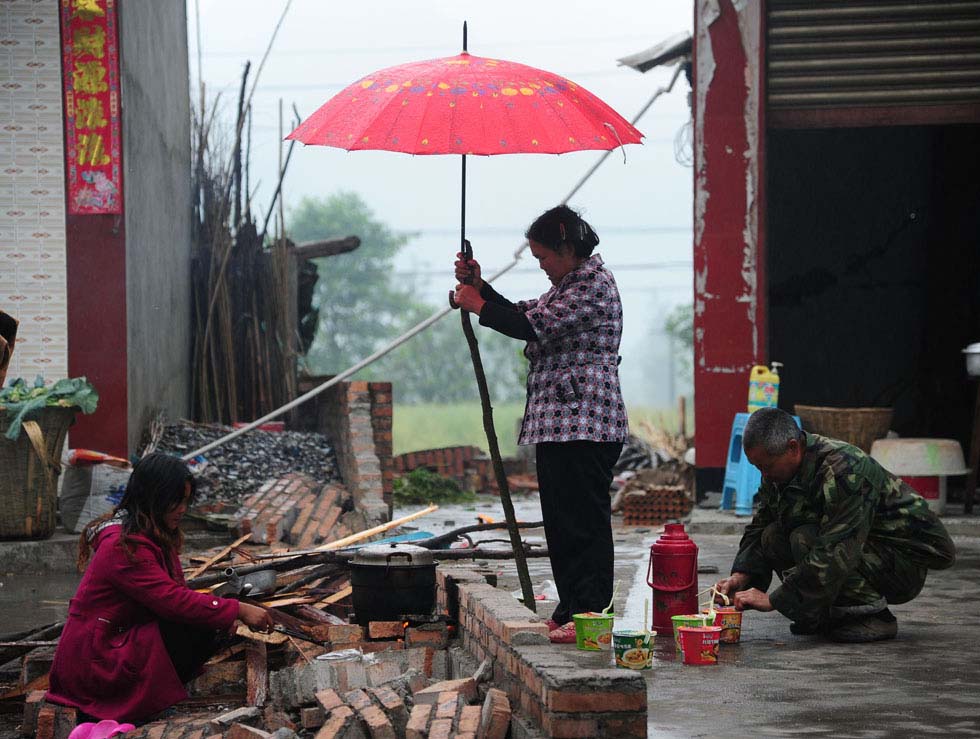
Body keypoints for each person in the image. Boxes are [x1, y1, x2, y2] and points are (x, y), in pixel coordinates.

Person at [452, 204, 628, 643]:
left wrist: (478, 305)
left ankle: (591, 614)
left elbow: (532, 324)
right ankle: (571, 607)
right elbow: (521, 309)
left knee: (583, 523)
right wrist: (480, 286)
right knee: (562, 523)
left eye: (545, 258)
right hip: (560, 423)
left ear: (568, 248)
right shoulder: (569, 285)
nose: (543, 267)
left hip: (586, 422)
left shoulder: (593, 287)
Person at [46, 454, 274, 722]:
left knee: (208, 623)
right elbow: (172, 601)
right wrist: (236, 609)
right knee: (194, 625)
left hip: (116, 642)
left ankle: (154, 692)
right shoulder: (122, 547)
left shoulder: (151, 537)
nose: (182, 509)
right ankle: (135, 702)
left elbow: (175, 595)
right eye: (176, 501)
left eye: (186, 501)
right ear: (153, 497)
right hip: (94, 661)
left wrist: (222, 614)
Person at [713, 407, 956, 642]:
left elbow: (836, 548)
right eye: (757, 468)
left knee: (805, 539)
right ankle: (818, 615)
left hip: (903, 565)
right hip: (858, 548)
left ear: (793, 447)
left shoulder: (844, 469)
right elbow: (760, 525)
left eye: (766, 466)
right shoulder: (778, 473)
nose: (763, 475)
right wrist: (740, 576)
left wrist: (775, 600)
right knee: (772, 535)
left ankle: (873, 616)